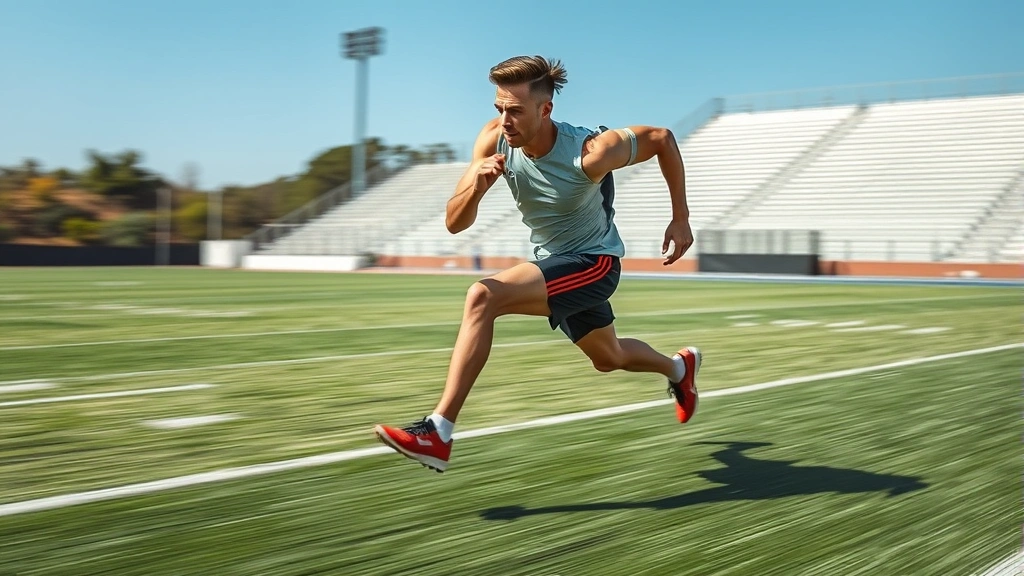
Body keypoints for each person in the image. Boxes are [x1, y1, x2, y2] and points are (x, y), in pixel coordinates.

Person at [374, 55, 701, 473]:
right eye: (499, 109)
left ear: (546, 109)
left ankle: (438, 431)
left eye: (515, 111)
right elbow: (455, 223)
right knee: (609, 357)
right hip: (555, 263)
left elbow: (662, 138)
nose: (504, 121)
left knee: (483, 296)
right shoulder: (493, 139)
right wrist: (475, 188)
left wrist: (680, 218)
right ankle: (679, 367)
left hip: (595, 264)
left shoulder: (590, 152)